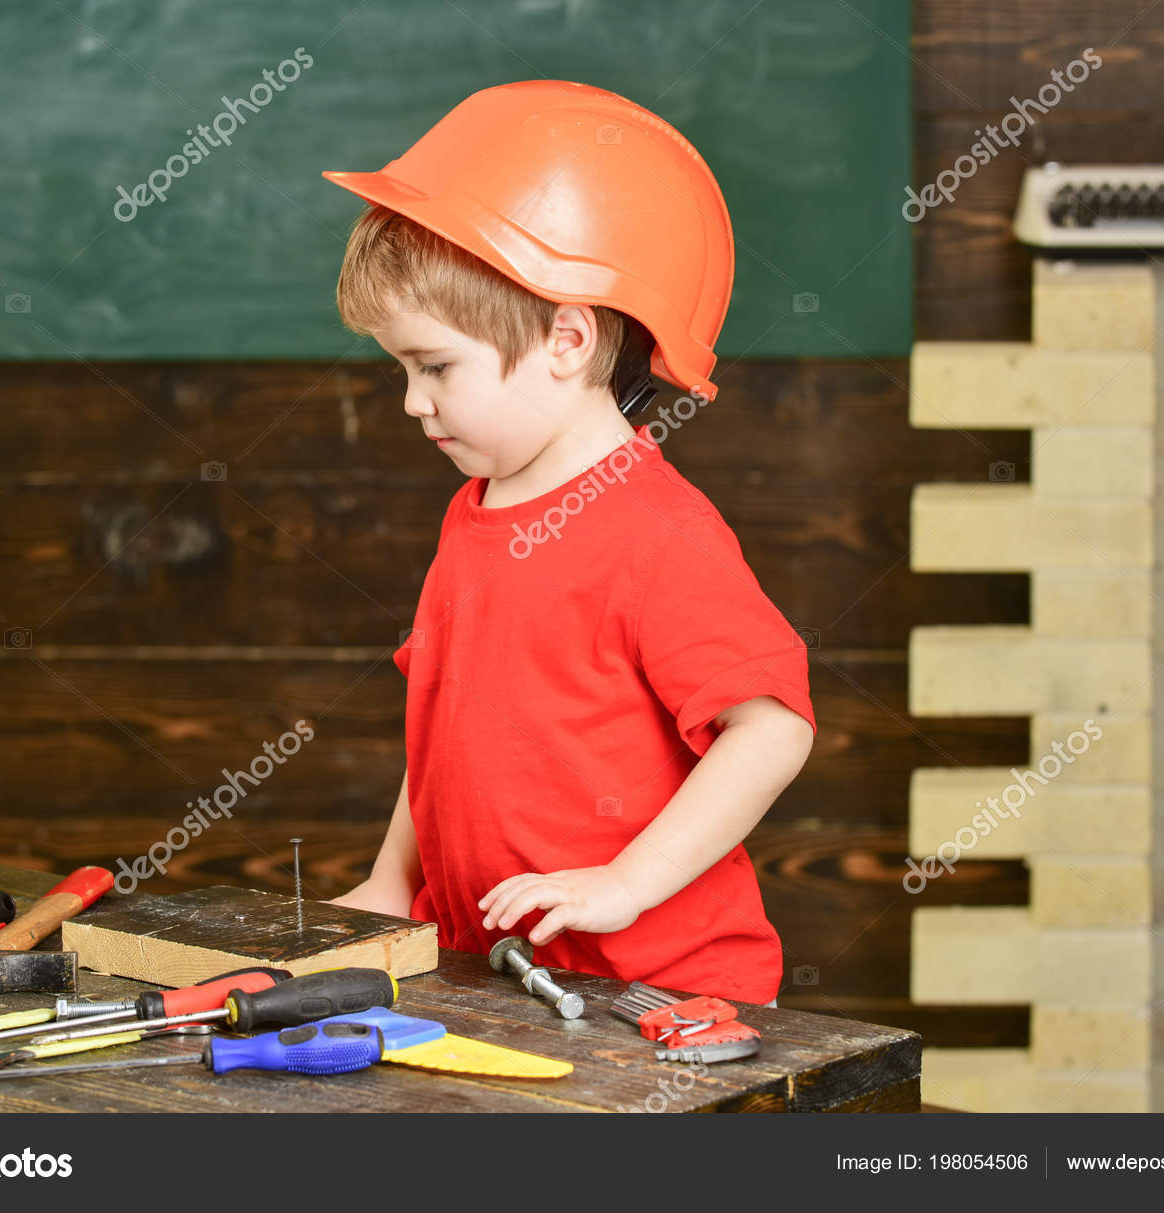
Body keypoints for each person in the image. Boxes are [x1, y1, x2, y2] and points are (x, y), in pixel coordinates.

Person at [324, 80, 815, 1006]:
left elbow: (774, 726)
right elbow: (442, 737)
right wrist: (395, 883)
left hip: (659, 999)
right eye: (400, 368)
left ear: (567, 338)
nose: (411, 400)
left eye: (434, 366)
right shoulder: (472, 514)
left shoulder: (657, 531)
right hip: (502, 982)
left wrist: (625, 884)